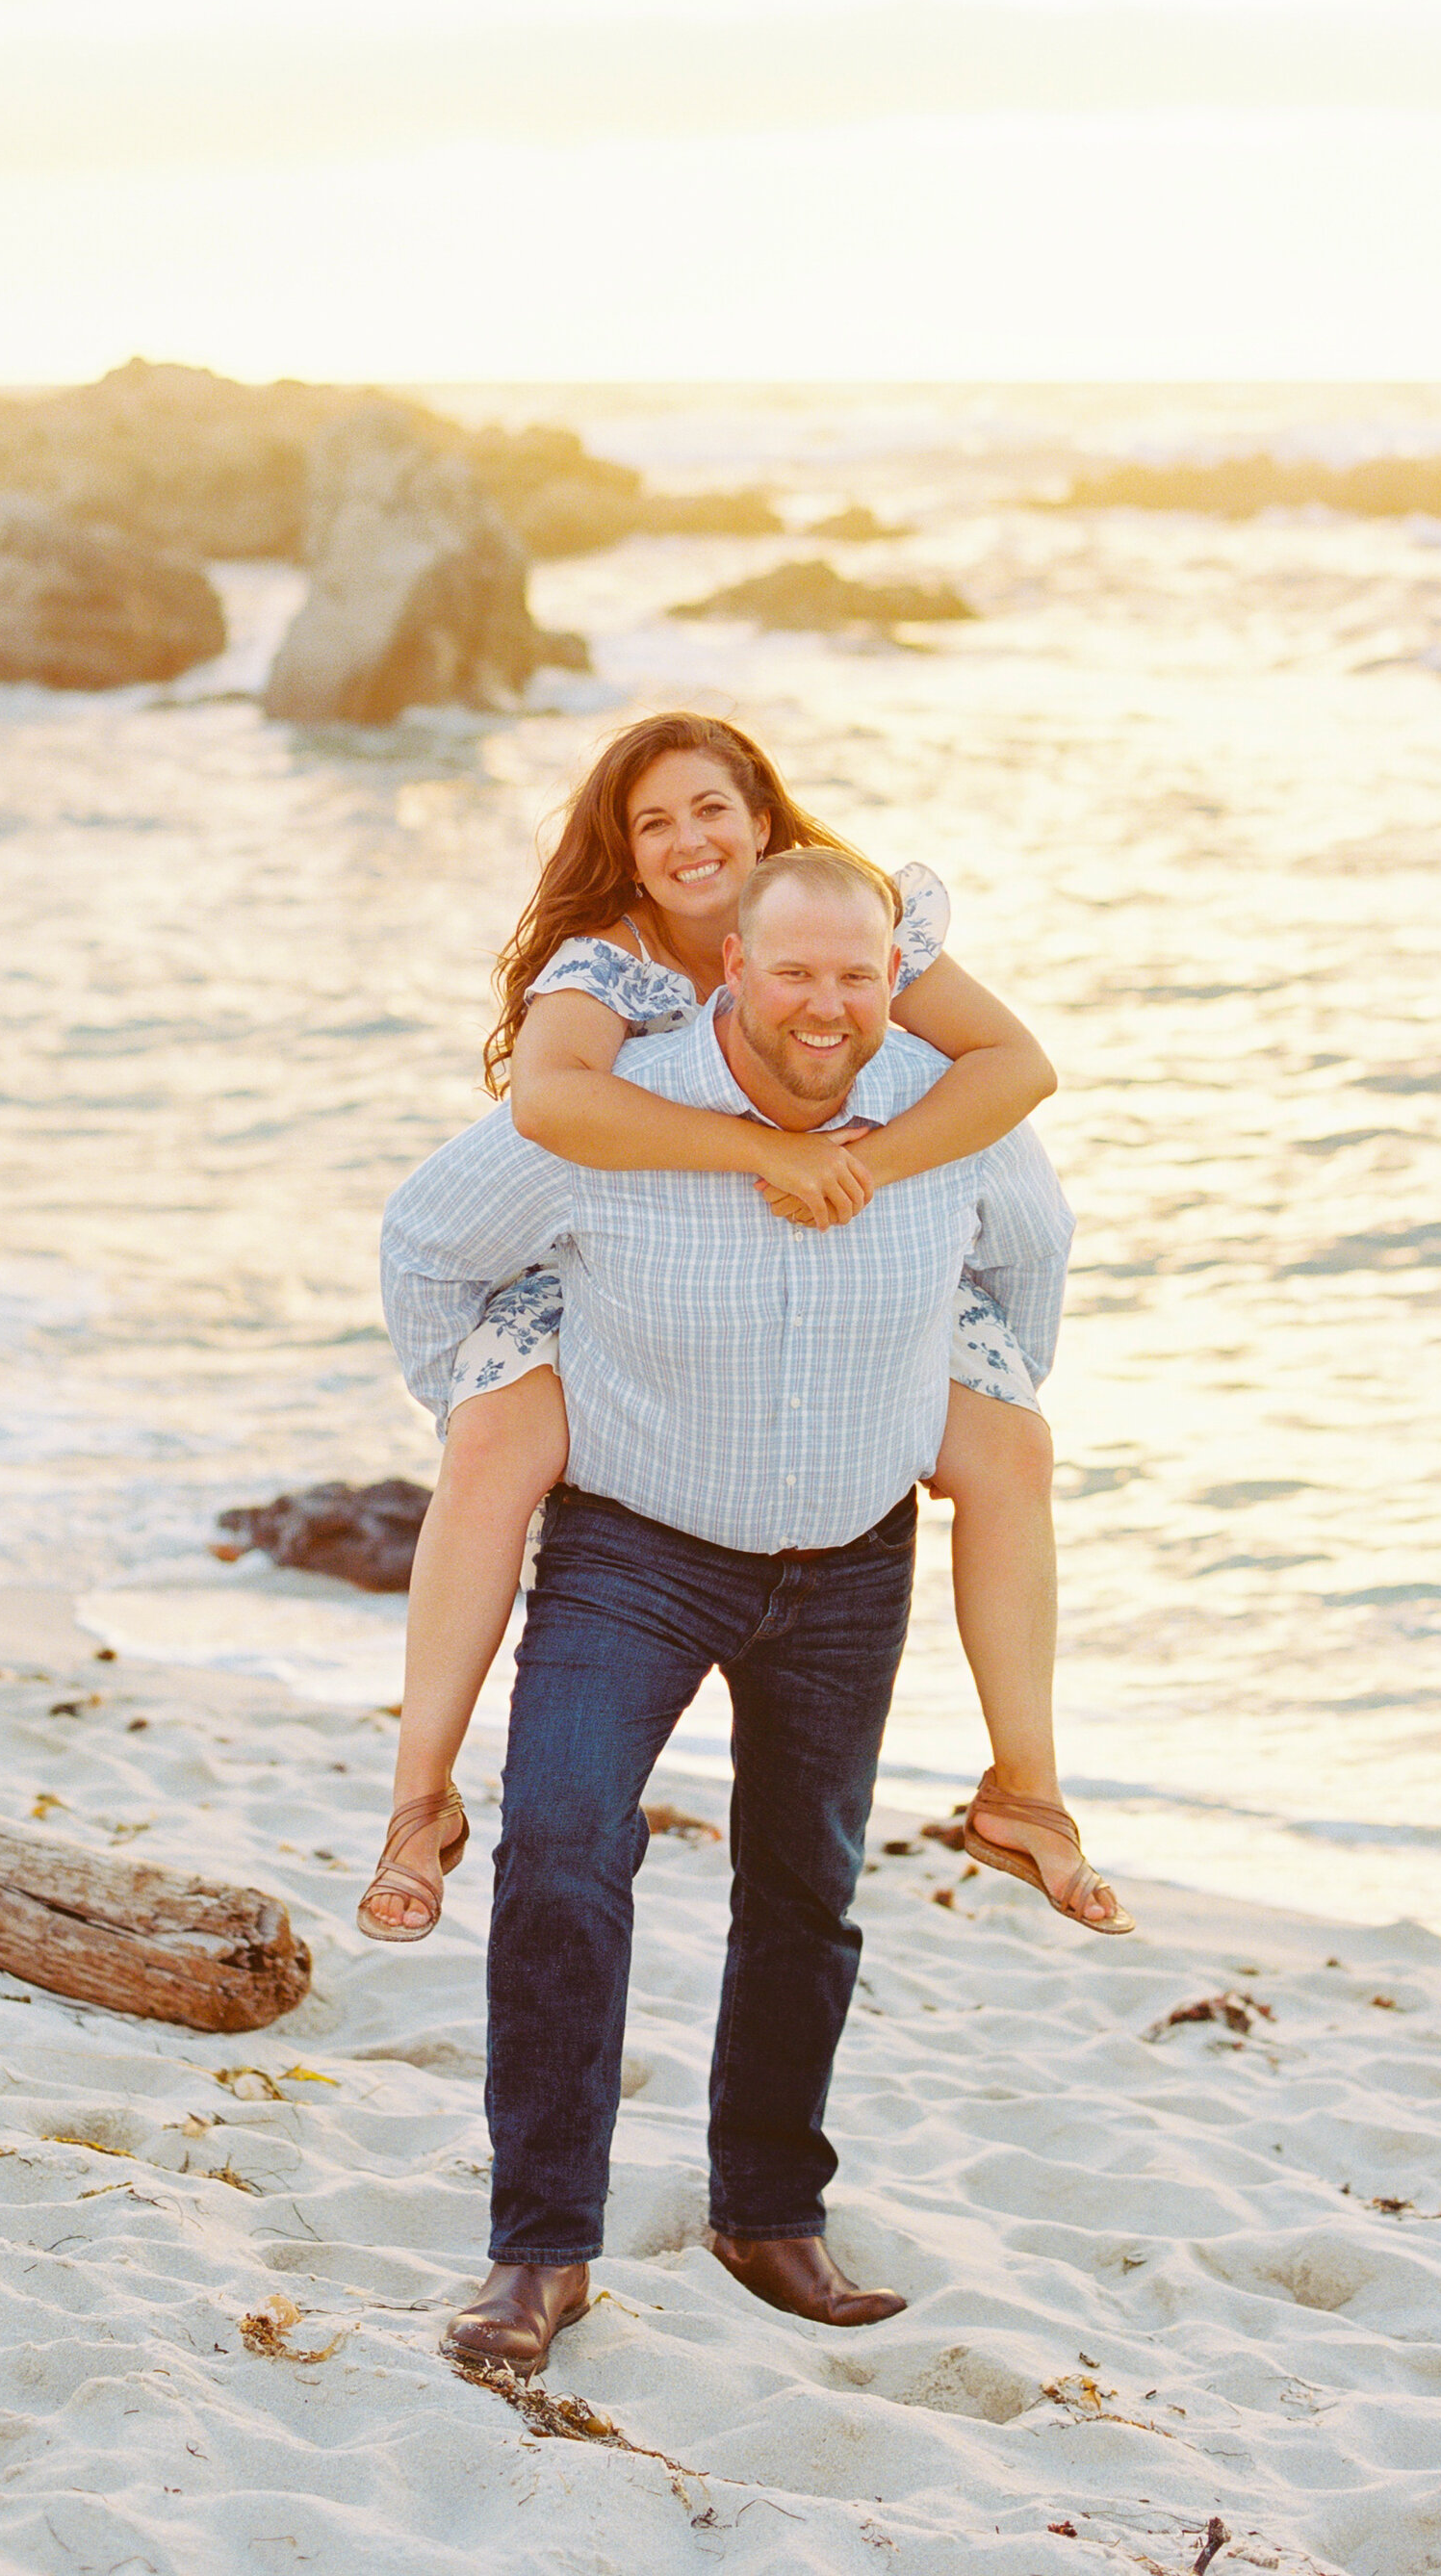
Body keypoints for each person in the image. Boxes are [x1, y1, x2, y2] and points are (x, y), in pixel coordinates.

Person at [380, 848, 1085, 2373]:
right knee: (563, 1850)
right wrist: (509, 1395)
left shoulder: (944, 1110)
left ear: (892, 977)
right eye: (794, 974)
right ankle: (538, 2252)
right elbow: (429, 1240)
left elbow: (1032, 1258)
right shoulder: (622, 1106)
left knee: (806, 1890)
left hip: (850, 1558)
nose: (827, 1007)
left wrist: (947, 1411)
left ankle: (769, 2216)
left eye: (858, 975)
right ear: (730, 974)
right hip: (637, 1550)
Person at [356, 710, 1127, 1945]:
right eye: (652, 823)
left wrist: (859, 1172)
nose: (688, 840)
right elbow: (551, 1108)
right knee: (496, 1446)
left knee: (1009, 1449)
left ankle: (1025, 1794)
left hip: (857, 1258)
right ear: (626, 853)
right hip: (613, 1260)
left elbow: (1015, 1070)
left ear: (762, 817)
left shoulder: (844, 924)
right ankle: (417, 1804)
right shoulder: (604, 961)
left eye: (711, 808)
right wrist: (764, 1152)